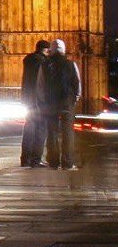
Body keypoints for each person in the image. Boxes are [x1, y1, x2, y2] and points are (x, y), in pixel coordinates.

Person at [39, 38, 82, 170]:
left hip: (50, 104)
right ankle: (67, 163)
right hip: (67, 104)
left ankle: (53, 162)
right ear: (63, 50)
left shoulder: (45, 65)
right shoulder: (71, 64)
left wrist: (43, 101)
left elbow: (40, 85)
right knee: (68, 133)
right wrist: (74, 99)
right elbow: (77, 84)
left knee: (52, 132)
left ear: (51, 50)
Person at [20, 39, 51, 167]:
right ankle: (36, 159)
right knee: (41, 130)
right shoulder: (43, 62)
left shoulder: (28, 61)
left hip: (28, 99)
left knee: (28, 129)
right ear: (45, 50)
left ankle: (25, 159)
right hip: (40, 101)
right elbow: (42, 84)